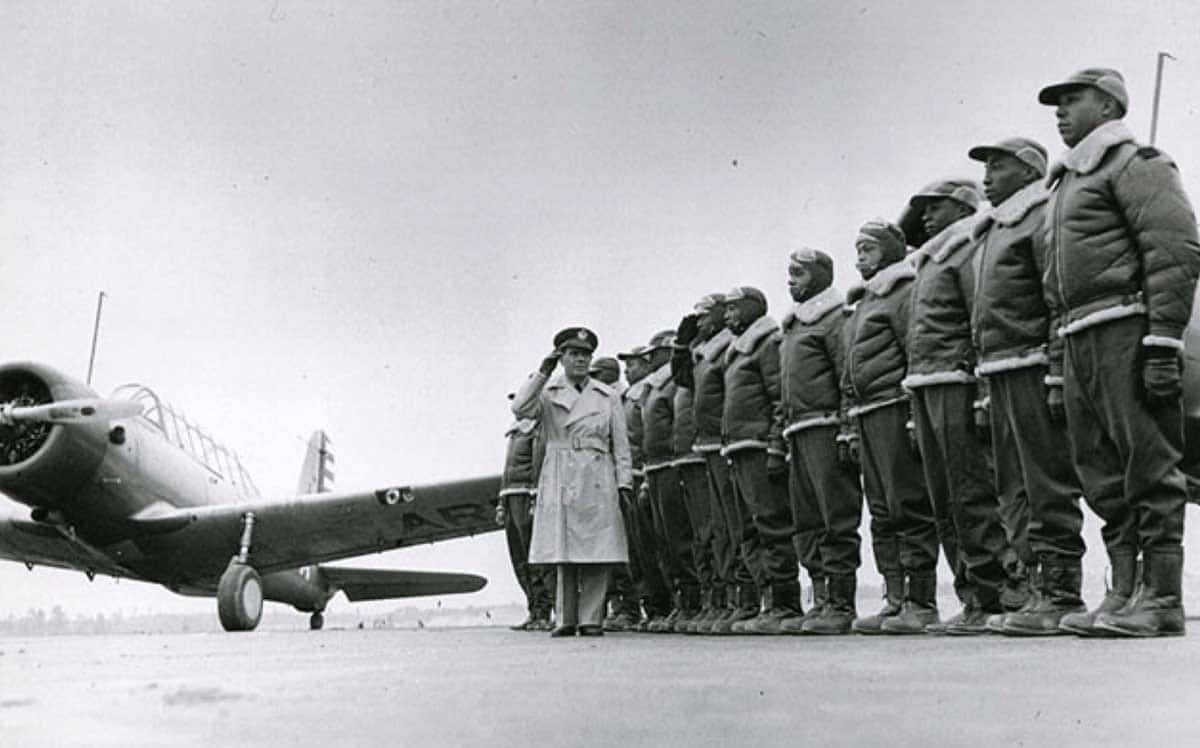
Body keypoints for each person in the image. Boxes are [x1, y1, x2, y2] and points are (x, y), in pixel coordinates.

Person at [1032, 68, 1200, 637]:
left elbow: (1175, 250)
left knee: (1148, 462)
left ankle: (1162, 599)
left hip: (1125, 329)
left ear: (1108, 107)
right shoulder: (1064, 189)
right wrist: (1058, 366)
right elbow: (1054, 289)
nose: (1059, 111)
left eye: (1071, 100)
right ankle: (1125, 591)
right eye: (1057, 103)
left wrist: (1162, 343)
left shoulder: (1136, 163)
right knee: (1101, 473)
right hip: (1079, 338)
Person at [966, 136, 1088, 635]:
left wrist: (1057, 370)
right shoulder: (993, 231)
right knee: (1013, 488)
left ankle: (1061, 590)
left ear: (1029, 171)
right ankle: (1034, 586)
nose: (986, 177)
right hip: (1000, 370)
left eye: (998, 166)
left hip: (1033, 365)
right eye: (985, 167)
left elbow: (1056, 297)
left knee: (1046, 481)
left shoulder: (1040, 217)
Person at [903, 178, 1010, 635]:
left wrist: (981, 388)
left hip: (957, 380)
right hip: (926, 383)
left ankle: (993, 594)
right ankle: (969, 595)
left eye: (936, 207)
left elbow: (978, 317)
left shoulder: (969, 249)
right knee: (944, 497)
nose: (925, 217)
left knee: (970, 492)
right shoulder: (930, 261)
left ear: (963, 207)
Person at [842, 220, 940, 635]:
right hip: (865, 415)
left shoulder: (903, 292)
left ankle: (921, 600)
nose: (860, 256)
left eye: (868, 248)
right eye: (857, 248)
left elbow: (915, 350)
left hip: (892, 407)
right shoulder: (863, 303)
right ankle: (894, 596)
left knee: (907, 503)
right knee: (881, 510)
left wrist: (915, 415)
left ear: (891, 251)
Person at [512, 327, 633, 637]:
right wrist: (542, 372)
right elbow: (520, 407)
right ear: (561, 358)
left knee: (598, 546)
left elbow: (621, 443)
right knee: (563, 548)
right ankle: (565, 617)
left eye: (585, 355)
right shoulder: (549, 392)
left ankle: (592, 618)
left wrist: (624, 483)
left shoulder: (606, 396)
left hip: (597, 472)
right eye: (573, 354)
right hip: (561, 470)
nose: (580, 360)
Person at [777, 248, 863, 634]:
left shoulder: (833, 319)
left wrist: (847, 427)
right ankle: (822, 598)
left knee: (836, 516)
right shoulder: (793, 327)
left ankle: (841, 603)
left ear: (821, 276)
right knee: (807, 521)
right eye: (789, 273)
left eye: (799, 273)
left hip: (826, 427)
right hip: (798, 431)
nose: (791, 279)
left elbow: (848, 375)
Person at [671, 293, 756, 634]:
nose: (699, 322)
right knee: (718, 528)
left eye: (704, 316)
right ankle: (726, 599)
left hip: (723, 444)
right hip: (708, 445)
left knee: (733, 524)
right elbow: (683, 379)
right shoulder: (704, 352)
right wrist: (682, 344)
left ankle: (741, 599)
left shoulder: (726, 347)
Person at [721, 286, 803, 634]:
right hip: (740, 448)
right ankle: (768, 600)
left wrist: (774, 446)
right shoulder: (739, 351)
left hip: (758, 447)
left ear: (753, 309)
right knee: (751, 530)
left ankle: (785, 603)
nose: (727, 316)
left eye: (733, 309)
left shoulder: (767, 343)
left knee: (772, 524)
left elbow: (778, 398)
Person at [639, 329, 702, 632]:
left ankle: (693, 602)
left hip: (672, 464)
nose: (649, 359)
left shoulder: (673, 382)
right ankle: (681, 602)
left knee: (680, 537)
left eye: (654, 353)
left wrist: (678, 460)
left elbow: (680, 423)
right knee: (664, 540)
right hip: (656, 467)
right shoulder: (654, 387)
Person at [589, 356, 641, 631]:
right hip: (605, 481)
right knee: (610, 546)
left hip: (623, 478)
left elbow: (626, 443)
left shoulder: (621, 399)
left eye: (596, 374)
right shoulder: (604, 401)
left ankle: (630, 608)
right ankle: (620, 606)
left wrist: (625, 482)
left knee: (628, 545)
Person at [497, 394, 554, 631]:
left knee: (533, 556)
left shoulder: (537, 430)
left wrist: (534, 497)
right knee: (519, 557)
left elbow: (538, 465)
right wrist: (501, 503)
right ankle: (534, 608)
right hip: (511, 496)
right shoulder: (515, 432)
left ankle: (543, 610)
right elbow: (506, 471)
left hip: (524, 495)